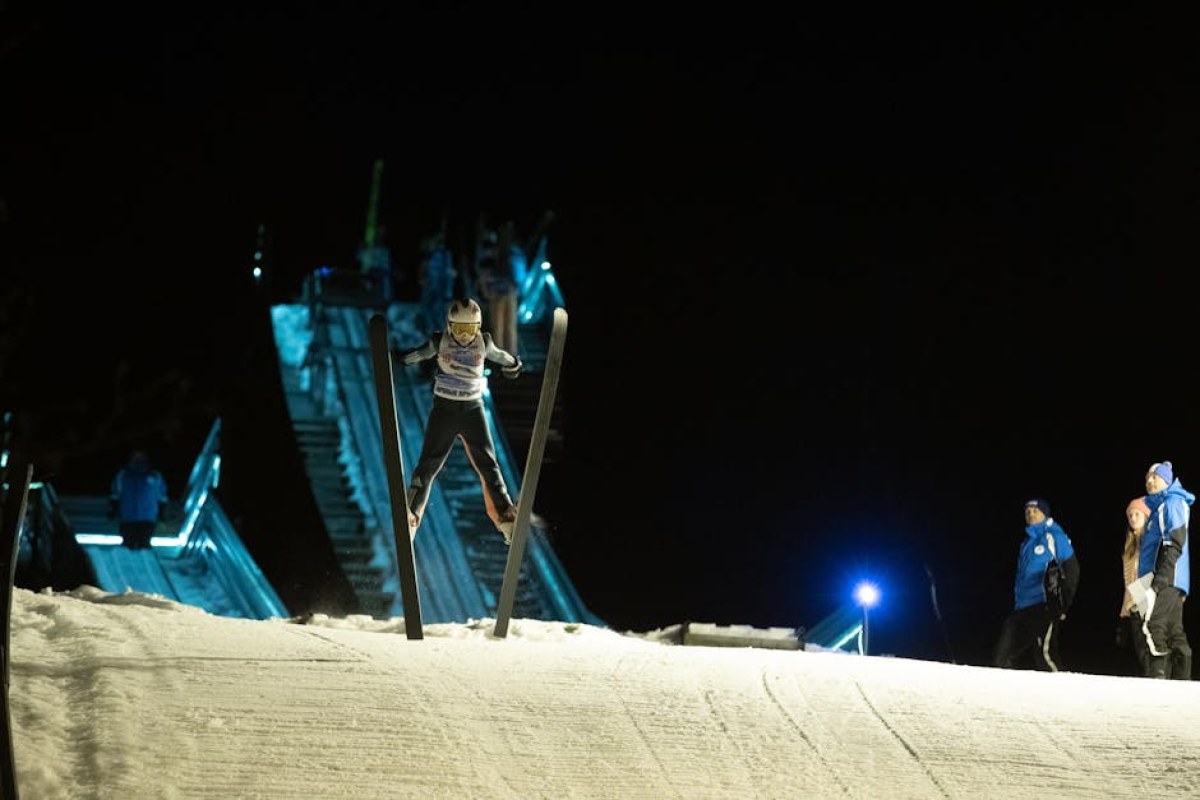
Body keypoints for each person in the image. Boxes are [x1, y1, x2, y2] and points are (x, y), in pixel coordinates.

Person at [396, 297, 522, 543]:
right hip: (445, 410)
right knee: (428, 464)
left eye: (470, 329)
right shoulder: (439, 341)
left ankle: (505, 516)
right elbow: (419, 353)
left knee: (489, 466)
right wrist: (398, 358)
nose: (465, 336)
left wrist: (514, 364)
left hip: (473, 410)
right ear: (450, 326)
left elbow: (499, 355)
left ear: (478, 327)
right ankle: (412, 514)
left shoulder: (483, 342)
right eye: (460, 329)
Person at [993, 499, 1081, 672]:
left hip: (1044, 606)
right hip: (1021, 608)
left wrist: (1063, 604)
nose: (1031, 514)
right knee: (1002, 658)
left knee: (1045, 655)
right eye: (1028, 512)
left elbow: (1072, 570)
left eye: (1035, 511)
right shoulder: (1026, 543)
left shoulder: (1054, 535)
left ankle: (1062, 693)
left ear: (1045, 513)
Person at [1137, 461, 1193, 680]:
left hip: (1164, 577)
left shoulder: (1171, 502)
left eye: (1154, 477)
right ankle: (1182, 682)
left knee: (1152, 626)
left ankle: (1158, 680)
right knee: (1173, 631)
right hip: (1167, 578)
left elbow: (1175, 543)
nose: (1149, 481)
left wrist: (1159, 581)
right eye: (1147, 478)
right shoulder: (1160, 506)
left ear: (1166, 480)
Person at [108, 449, 169, 550]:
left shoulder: (155, 477)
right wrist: (112, 514)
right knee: (127, 546)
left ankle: (145, 563)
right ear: (130, 461)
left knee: (145, 546)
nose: (138, 462)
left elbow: (162, 498)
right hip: (128, 518)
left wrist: (162, 518)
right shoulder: (123, 476)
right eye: (136, 459)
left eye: (141, 460)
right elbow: (115, 496)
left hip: (147, 518)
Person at [1116, 496, 1151, 675]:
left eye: (1137, 514)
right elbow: (1128, 582)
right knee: (1139, 651)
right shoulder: (1129, 548)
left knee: (1150, 649)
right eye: (1130, 515)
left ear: (1146, 516)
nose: (1133, 518)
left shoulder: (1151, 543)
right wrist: (1124, 612)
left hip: (1149, 601)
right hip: (1134, 602)